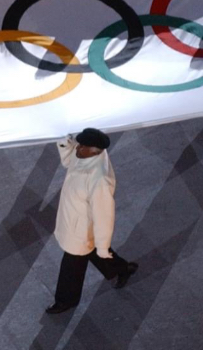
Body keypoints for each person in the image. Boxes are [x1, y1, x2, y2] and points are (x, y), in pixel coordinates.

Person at [45, 128, 138, 314]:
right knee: (93, 251)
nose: (78, 148)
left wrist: (103, 246)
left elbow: (104, 216)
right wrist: (64, 144)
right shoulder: (84, 156)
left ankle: (65, 300)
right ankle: (122, 269)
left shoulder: (100, 179)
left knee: (72, 265)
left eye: (82, 146)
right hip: (74, 222)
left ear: (95, 150)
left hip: (80, 230)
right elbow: (68, 162)